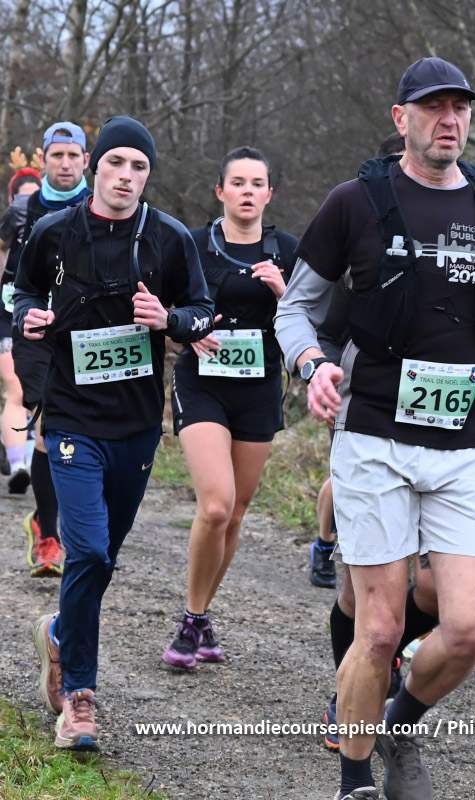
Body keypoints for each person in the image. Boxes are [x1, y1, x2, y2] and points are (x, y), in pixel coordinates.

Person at [275, 57, 475, 800]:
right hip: (375, 436)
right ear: (401, 119)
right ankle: (354, 781)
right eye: (432, 107)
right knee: (381, 628)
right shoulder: (354, 202)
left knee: (471, 630)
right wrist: (312, 363)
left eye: (460, 108)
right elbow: (295, 308)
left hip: (465, 440)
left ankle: (396, 723)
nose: (449, 120)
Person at [13, 115, 214, 750]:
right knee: (90, 553)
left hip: (136, 424)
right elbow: (20, 293)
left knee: (103, 558)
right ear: (94, 167)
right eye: (116, 163)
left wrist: (169, 318)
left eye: (139, 167)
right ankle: (80, 698)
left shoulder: (169, 237)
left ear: (148, 175)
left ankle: (59, 634)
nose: (126, 176)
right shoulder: (53, 232)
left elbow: (202, 311)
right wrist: (29, 319)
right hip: (72, 417)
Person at [162, 146, 297, 670]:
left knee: (236, 512)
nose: (247, 191)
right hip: (203, 384)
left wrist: (284, 292)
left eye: (256, 183)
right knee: (216, 505)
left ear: (269, 194)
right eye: (237, 182)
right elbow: (160, 305)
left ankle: (200, 615)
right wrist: (185, 329)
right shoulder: (192, 245)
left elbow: (314, 319)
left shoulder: (288, 250)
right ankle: (191, 618)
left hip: (259, 386)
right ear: (220, 191)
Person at [310, 132, 407, 592]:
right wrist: (325, 371)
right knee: (344, 479)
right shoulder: (357, 231)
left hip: (419, 395)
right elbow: (320, 323)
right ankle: (327, 544)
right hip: (356, 387)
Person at [11, 122, 91, 577]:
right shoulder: (23, 210)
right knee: (47, 428)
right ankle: (48, 534)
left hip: (88, 335)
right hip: (35, 333)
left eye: (73, 155)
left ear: (85, 161)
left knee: (85, 430)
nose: (65, 163)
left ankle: (76, 527)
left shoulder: (100, 206)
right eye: (57, 155)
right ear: (42, 160)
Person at [0, 166, 42, 493]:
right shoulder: (8, 227)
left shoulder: (57, 224)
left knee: (42, 395)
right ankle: (18, 467)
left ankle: (36, 467)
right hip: (7, 317)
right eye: (21, 200)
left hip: (44, 317)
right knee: (16, 389)